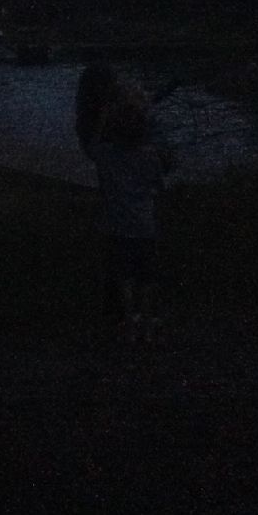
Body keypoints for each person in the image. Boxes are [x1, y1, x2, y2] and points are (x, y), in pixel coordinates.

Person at [75, 64, 171, 341]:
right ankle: (146, 318)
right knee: (146, 274)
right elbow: (160, 183)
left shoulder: (104, 149)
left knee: (122, 272)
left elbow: (93, 148)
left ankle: (127, 317)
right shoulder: (150, 156)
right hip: (145, 226)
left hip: (117, 225)